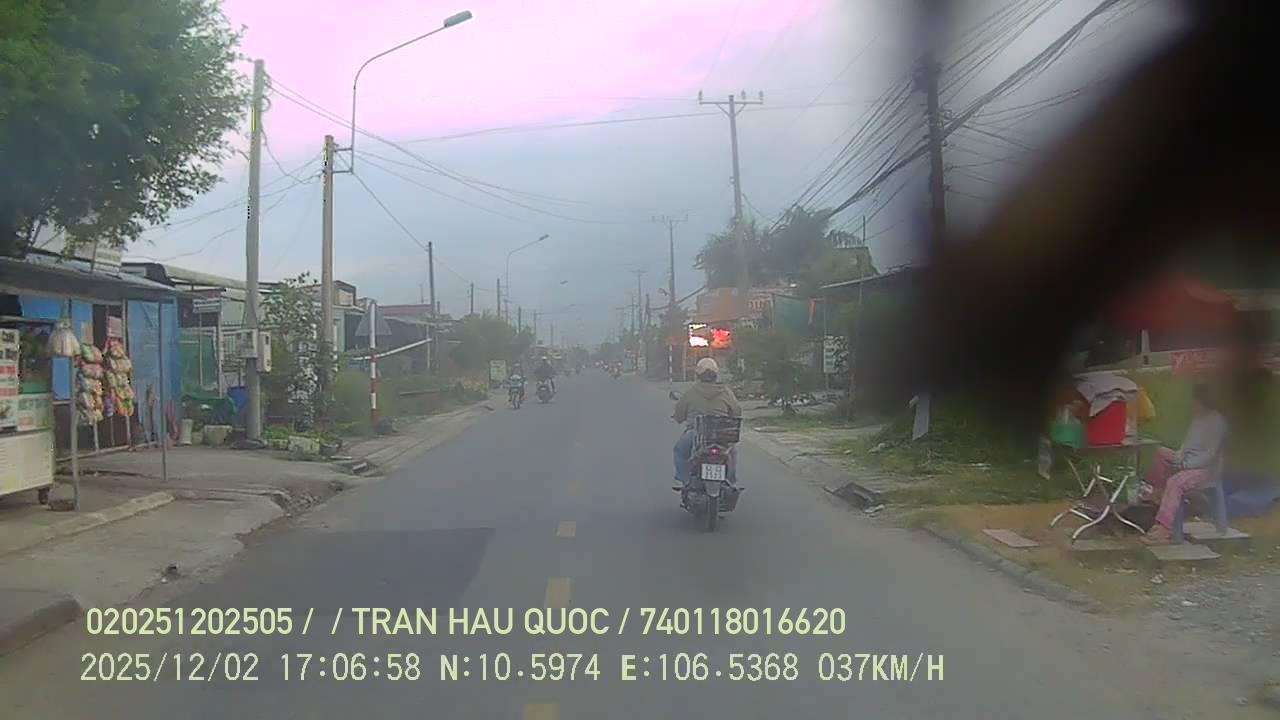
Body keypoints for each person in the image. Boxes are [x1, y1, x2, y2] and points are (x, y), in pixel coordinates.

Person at [1141, 382, 1229, 544]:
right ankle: (1158, 494)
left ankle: (1164, 528)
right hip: (1187, 462)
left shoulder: (1217, 422)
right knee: (1160, 453)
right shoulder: (1198, 419)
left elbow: (1210, 455)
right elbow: (1186, 445)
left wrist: (1185, 465)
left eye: (1195, 401)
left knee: (1175, 482)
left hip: (1205, 470)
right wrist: (1178, 458)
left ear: (1204, 401)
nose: (1193, 404)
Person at [672, 357, 742, 488]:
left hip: (697, 434)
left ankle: (685, 481)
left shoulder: (691, 392)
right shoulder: (725, 392)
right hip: (722, 435)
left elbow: (679, 414)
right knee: (731, 453)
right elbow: (737, 411)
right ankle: (730, 481)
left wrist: (678, 417)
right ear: (716, 374)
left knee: (679, 451)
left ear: (698, 374)